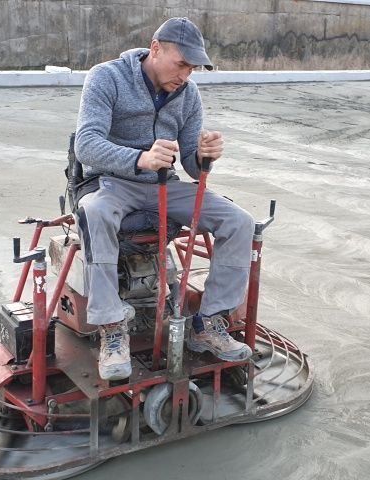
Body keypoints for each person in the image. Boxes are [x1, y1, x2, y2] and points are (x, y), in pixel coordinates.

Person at [73, 17, 254, 381]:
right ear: (155, 49)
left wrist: (205, 155)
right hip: (112, 182)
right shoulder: (106, 77)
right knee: (94, 212)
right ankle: (111, 327)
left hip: (165, 185)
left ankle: (208, 322)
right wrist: (138, 158)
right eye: (182, 64)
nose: (186, 75)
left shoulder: (188, 94)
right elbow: (86, 145)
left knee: (239, 221)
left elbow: (190, 162)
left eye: (193, 67)